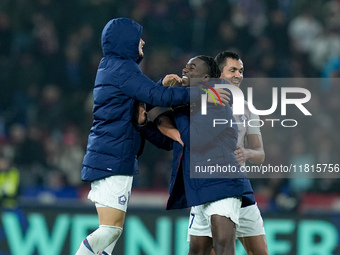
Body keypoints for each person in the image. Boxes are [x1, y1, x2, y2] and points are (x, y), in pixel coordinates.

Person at [75, 18, 229, 255]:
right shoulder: (121, 68)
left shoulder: (116, 67)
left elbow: (135, 101)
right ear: (126, 40)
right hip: (112, 155)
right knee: (110, 230)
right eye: (139, 37)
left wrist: (159, 86)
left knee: (110, 236)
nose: (143, 41)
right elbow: (158, 97)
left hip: (114, 153)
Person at [138, 55, 254, 255]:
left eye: (191, 68)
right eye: (185, 66)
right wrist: (144, 125)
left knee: (223, 246)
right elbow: (171, 142)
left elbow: (193, 140)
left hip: (222, 185)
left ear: (206, 77)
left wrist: (177, 109)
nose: (184, 70)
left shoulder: (217, 102)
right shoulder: (193, 105)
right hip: (199, 190)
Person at [187, 51, 268, 255]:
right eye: (232, 70)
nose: (238, 75)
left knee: (259, 252)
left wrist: (248, 153)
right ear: (218, 73)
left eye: (241, 71)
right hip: (210, 184)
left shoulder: (248, 110)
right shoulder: (200, 102)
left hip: (237, 185)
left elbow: (261, 155)